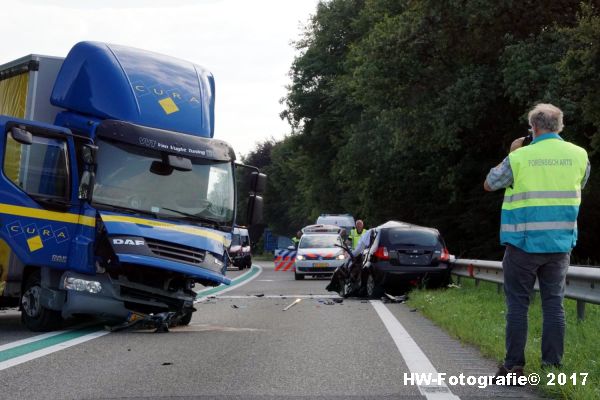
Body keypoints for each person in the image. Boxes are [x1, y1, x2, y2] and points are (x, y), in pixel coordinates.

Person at [484, 103, 590, 379]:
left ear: (534, 128)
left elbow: (490, 182)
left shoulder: (520, 157)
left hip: (523, 243)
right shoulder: (579, 155)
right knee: (554, 304)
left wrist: (513, 152)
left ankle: (513, 367)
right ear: (560, 126)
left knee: (518, 305)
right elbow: (582, 182)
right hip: (560, 244)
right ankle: (552, 368)